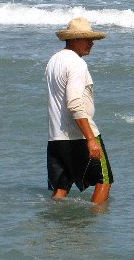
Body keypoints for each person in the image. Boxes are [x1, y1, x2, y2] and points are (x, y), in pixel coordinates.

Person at [46, 17, 113, 204]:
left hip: (56, 136)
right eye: (87, 38)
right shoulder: (77, 63)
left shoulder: (54, 60)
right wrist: (91, 139)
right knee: (104, 181)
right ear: (74, 39)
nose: (92, 43)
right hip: (79, 136)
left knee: (62, 187)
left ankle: (56, 229)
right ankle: (93, 227)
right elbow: (74, 102)